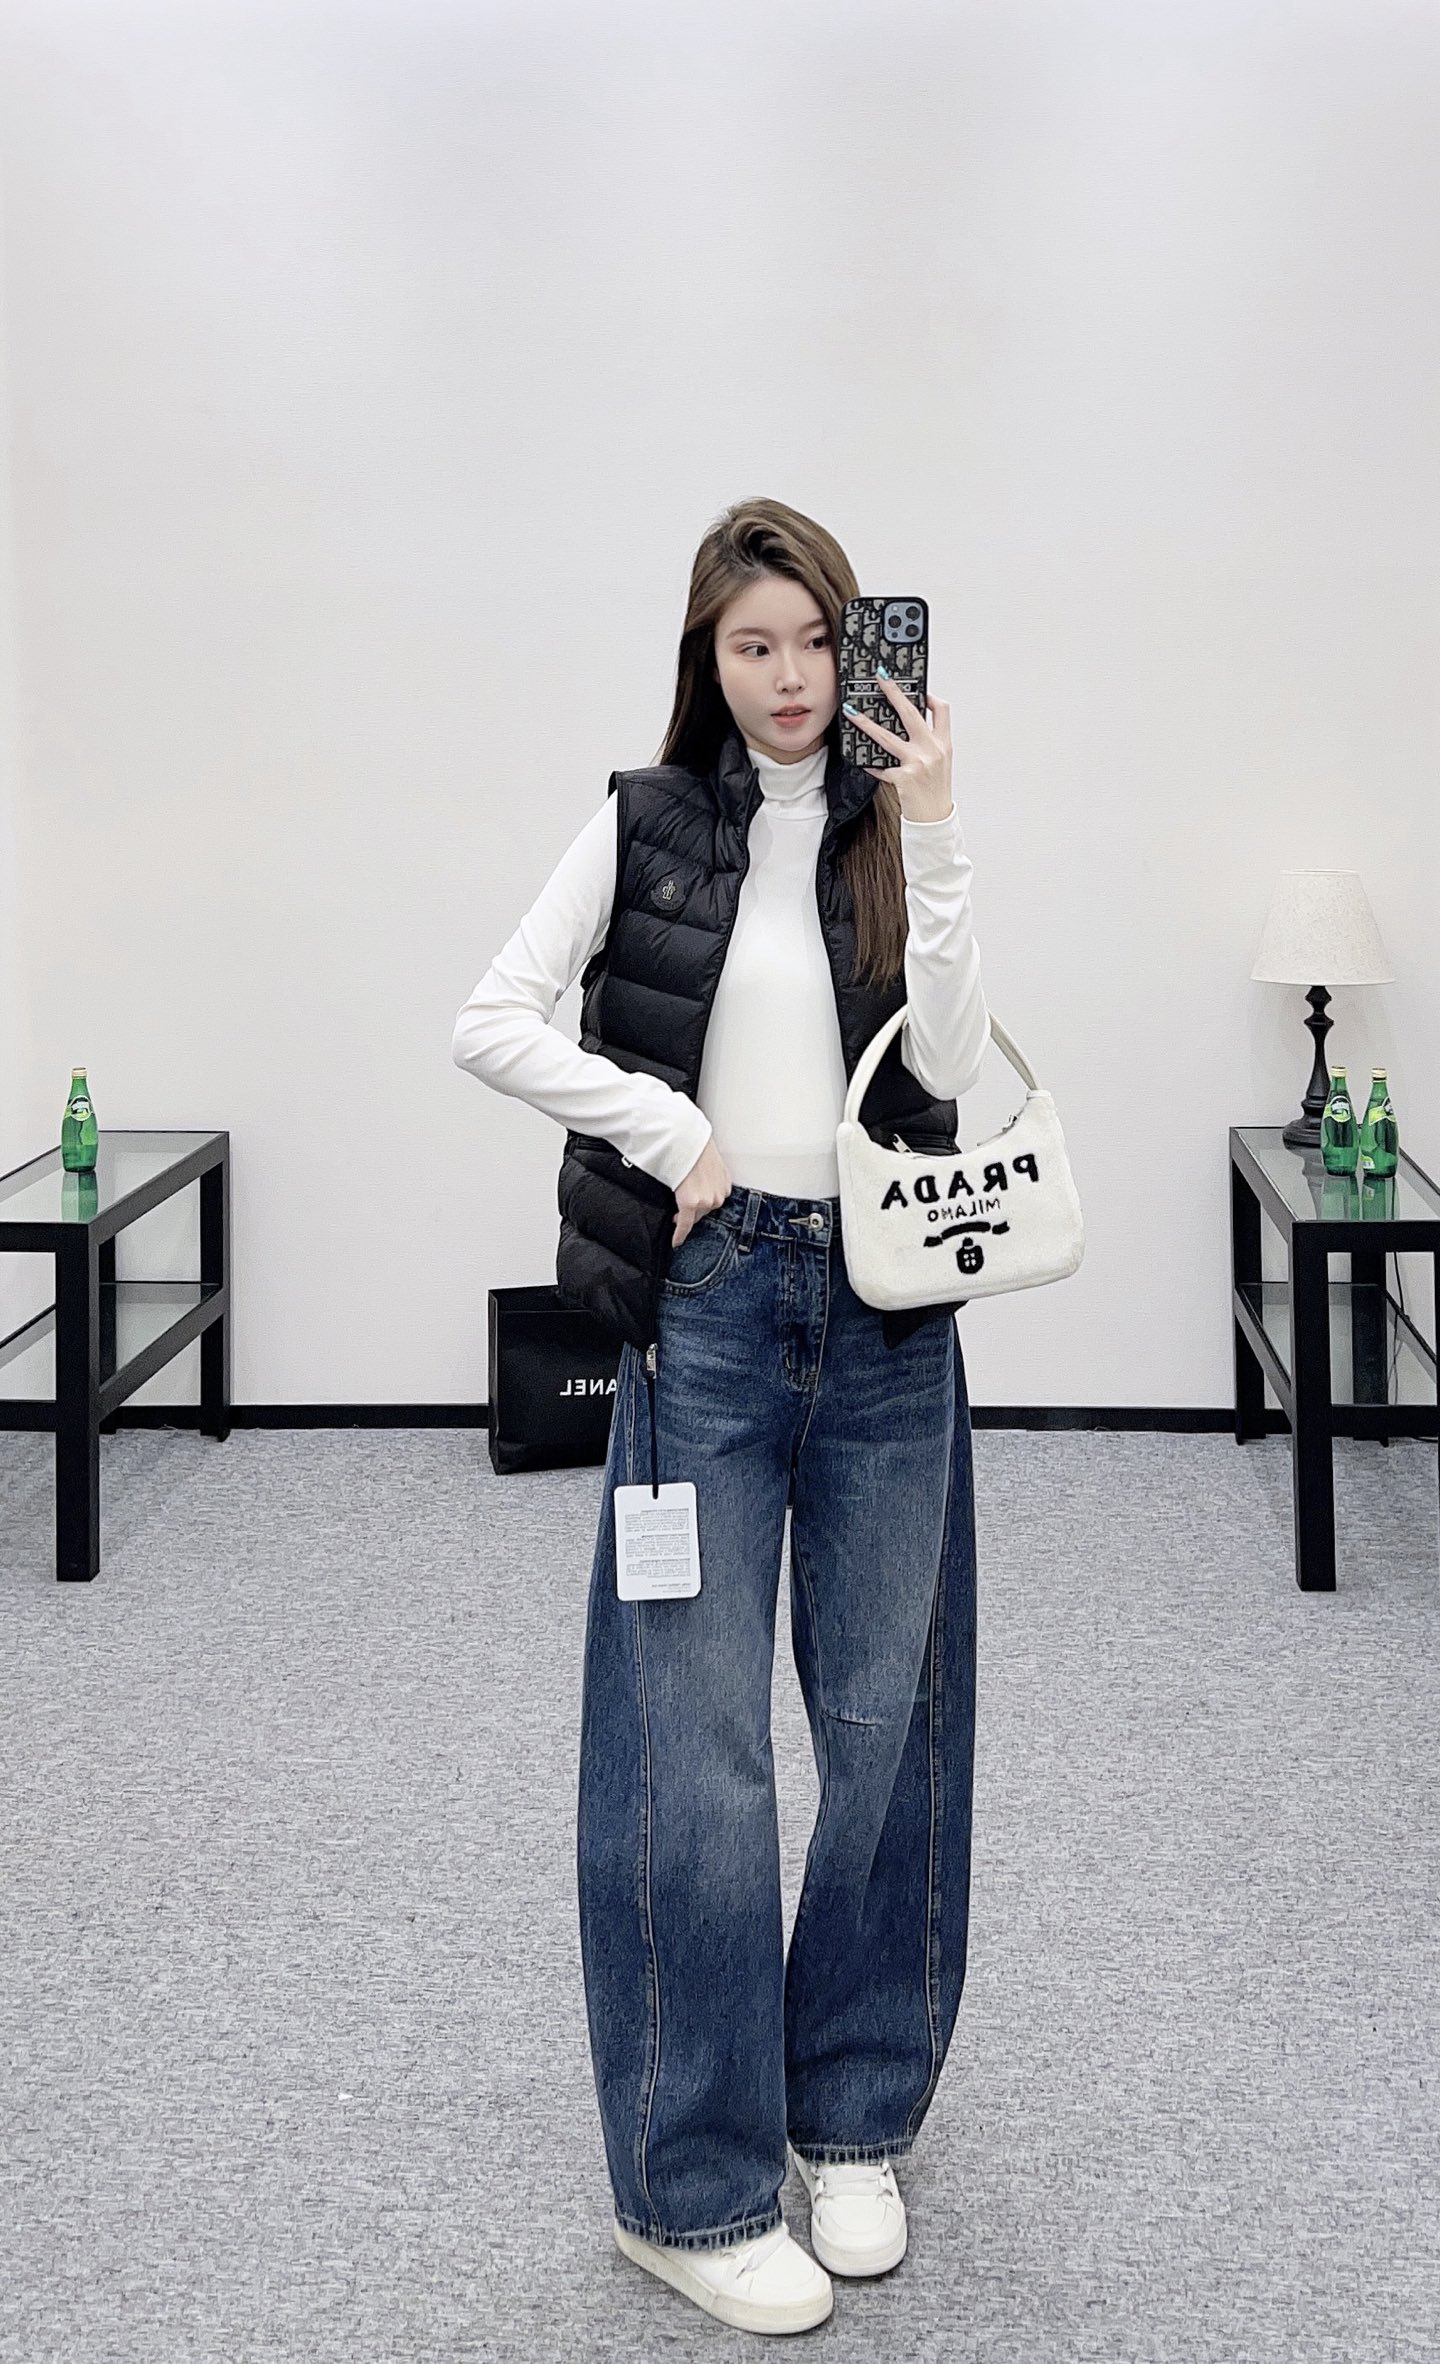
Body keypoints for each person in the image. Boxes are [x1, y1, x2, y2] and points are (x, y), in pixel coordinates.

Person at [452, 497, 988, 2336]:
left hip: (889, 1309)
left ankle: (853, 2119)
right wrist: (668, 1131)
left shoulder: (889, 832)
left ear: (856, 646)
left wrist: (937, 829)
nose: (791, 676)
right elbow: (493, 1017)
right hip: (711, 1317)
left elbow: (951, 1066)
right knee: (694, 1753)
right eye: (753, 645)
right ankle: (686, 2190)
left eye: (817, 641)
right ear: (709, 658)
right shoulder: (643, 821)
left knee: (889, 1728)